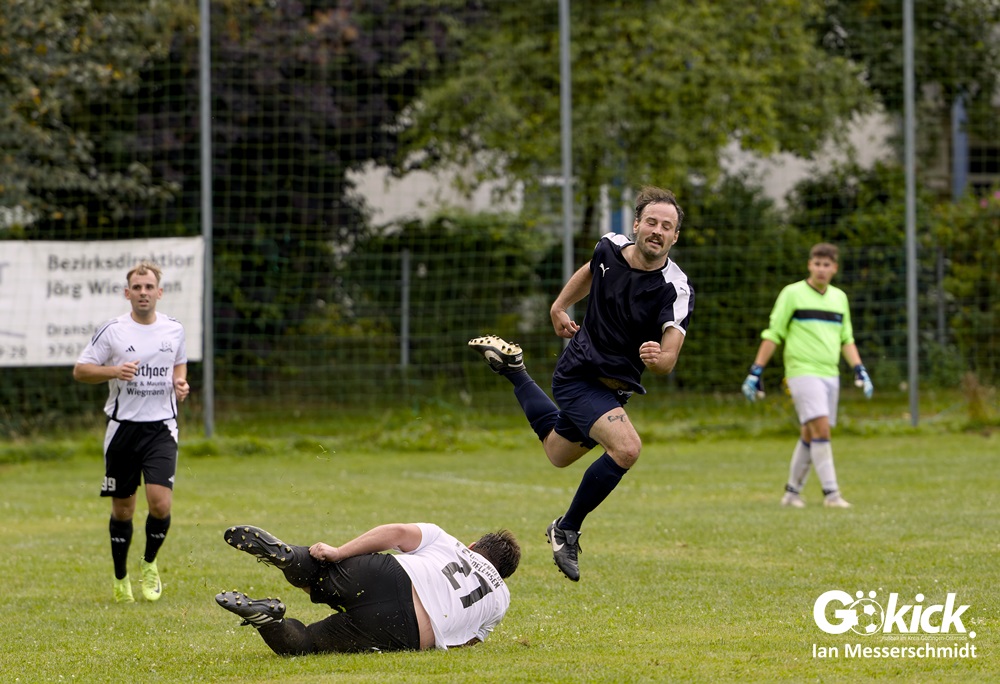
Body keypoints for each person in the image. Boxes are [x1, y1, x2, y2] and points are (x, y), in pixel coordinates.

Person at [469, 185, 694, 582]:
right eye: (652, 222)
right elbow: (591, 270)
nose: (658, 231)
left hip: (615, 390)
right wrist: (559, 306)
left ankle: (515, 370)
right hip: (578, 375)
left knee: (557, 453)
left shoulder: (675, 288)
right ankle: (567, 528)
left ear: (675, 237)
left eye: (667, 227)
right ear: (637, 224)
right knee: (627, 448)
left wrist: (659, 359)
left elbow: (670, 355)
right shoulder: (609, 247)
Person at [216, 522, 520, 654]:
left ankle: (290, 557)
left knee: (320, 572)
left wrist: (339, 551)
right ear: (501, 576)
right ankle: (269, 619)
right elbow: (468, 642)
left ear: (472, 546)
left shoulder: (448, 541)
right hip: (405, 629)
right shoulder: (501, 600)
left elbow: (396, 533)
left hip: (392, 575)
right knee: (306, 644)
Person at [73, 261, 189, 603]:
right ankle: (120, 575)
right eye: (137, 287)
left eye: (149, 287)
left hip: (161, 428)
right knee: (123, 510)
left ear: (159, 292)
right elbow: (81, 370)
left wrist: (180, 383)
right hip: (123, 430)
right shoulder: (113, 330)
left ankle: (149, 563)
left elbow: (179, 363)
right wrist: (113, 371)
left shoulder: (174, 329)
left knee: (160, 504)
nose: (143, 292)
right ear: (128, 293)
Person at [741, 242, 873, 509]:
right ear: (809, 265)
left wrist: (860, 368)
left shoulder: (839, 298)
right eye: (817, 264)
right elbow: (773, 333)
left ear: (835, 268)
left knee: (811, 433)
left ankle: (791, 494)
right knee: (822, 429)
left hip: (830, 373)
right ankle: (832, 495)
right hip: (801, 371)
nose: (821, 269)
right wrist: (756, 370)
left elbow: (846, 338)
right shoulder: (792, 294)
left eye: (827, 265)